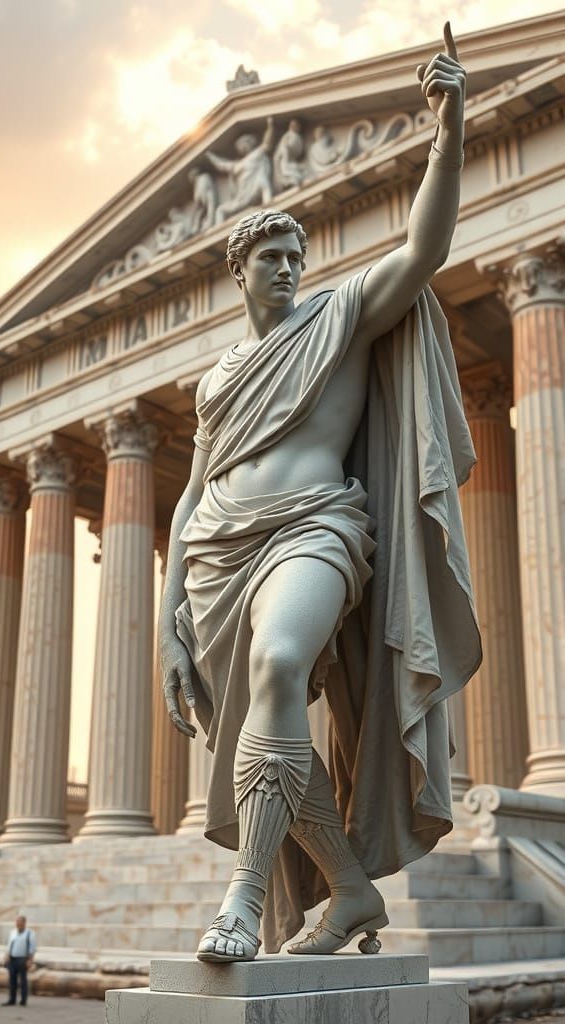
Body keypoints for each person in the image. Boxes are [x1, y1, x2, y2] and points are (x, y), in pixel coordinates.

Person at [159, 23, 481, 964]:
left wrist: (449, 130)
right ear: (239, 270)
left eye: (297, 255)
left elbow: (422, 250)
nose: (290, 268)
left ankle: (243, 897)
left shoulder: (339, 317)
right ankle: (349, 890)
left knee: (279, 664)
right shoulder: (217, 379)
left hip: (315, 527)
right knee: (271, 713)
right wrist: (167, 622)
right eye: (272, 257)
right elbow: (190, 497)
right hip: (218, 554)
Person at [2, 915, 36, 1006]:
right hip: (12, 958)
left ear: (24, 922)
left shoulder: (30, 933)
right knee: (12, 980)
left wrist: (30, 960)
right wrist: (6, 956)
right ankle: (12, 999)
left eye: (20, 921)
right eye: (17, 922)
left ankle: (23, 1000)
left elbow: (32, 948)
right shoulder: (13, 932)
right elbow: (9, 945)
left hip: (22, 959)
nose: (18, 923)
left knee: (23, 980)